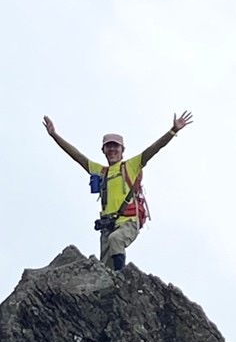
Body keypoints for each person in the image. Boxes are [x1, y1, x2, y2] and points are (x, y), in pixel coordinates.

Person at [42, 112, 194, 268]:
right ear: (103, 150)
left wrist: (172, 131)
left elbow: (154, 149)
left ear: (122, 150)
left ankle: (122, 277)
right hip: (107, 225)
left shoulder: (131, 166)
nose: (112, 149)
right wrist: (54, 135)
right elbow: (76, 156)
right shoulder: (101, 171)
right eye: (109, 146)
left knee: (116, 239)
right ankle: (115, 281)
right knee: (105, 268)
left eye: (116, 146)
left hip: (129, 221)